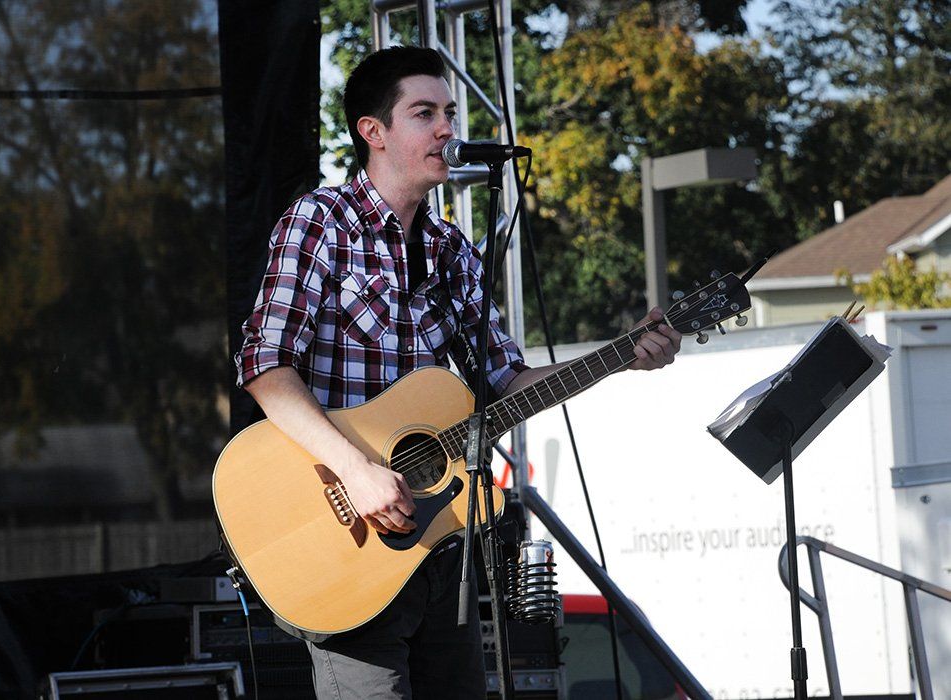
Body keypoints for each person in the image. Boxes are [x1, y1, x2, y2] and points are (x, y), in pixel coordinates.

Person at [235, 45, 681, 700]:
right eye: (426, 113)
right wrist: (356, 471)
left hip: (441, 551)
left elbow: (507, 384)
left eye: (449, 112)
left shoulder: (450, 250)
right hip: (344, 541)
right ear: (373, 131)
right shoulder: (320, 222)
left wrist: (620, 358)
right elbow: (265, 366)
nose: (448, 128)